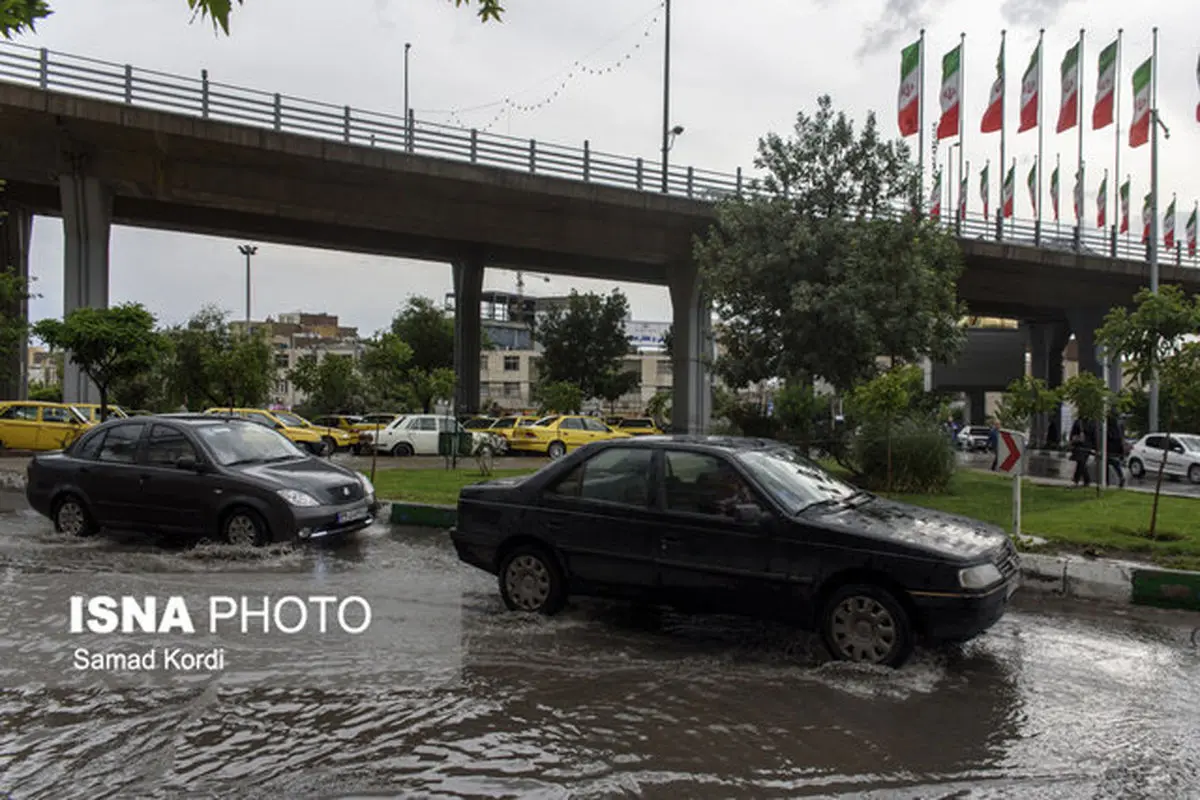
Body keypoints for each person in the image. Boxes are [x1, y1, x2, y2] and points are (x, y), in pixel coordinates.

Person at [1069, 417, 1097, 487]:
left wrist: (1095, 447)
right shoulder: (1079, 422)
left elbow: (1094, 435)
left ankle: (1080, 479)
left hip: (1086, 446)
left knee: (1082, 463)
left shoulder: (1091, 423)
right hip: (1080, 445)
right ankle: (1084, 480)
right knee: (1081, 462)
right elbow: (1073, 433)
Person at [1105, 414, 1127, 488]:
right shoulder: (1117, 430)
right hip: (1115, 451)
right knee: (1116, 465)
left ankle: (1106, 481)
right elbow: (1120, 441)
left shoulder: (1107, 430)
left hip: (1108, 450)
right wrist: (1121, 453)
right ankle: (1121, 477)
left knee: (1106, 466)